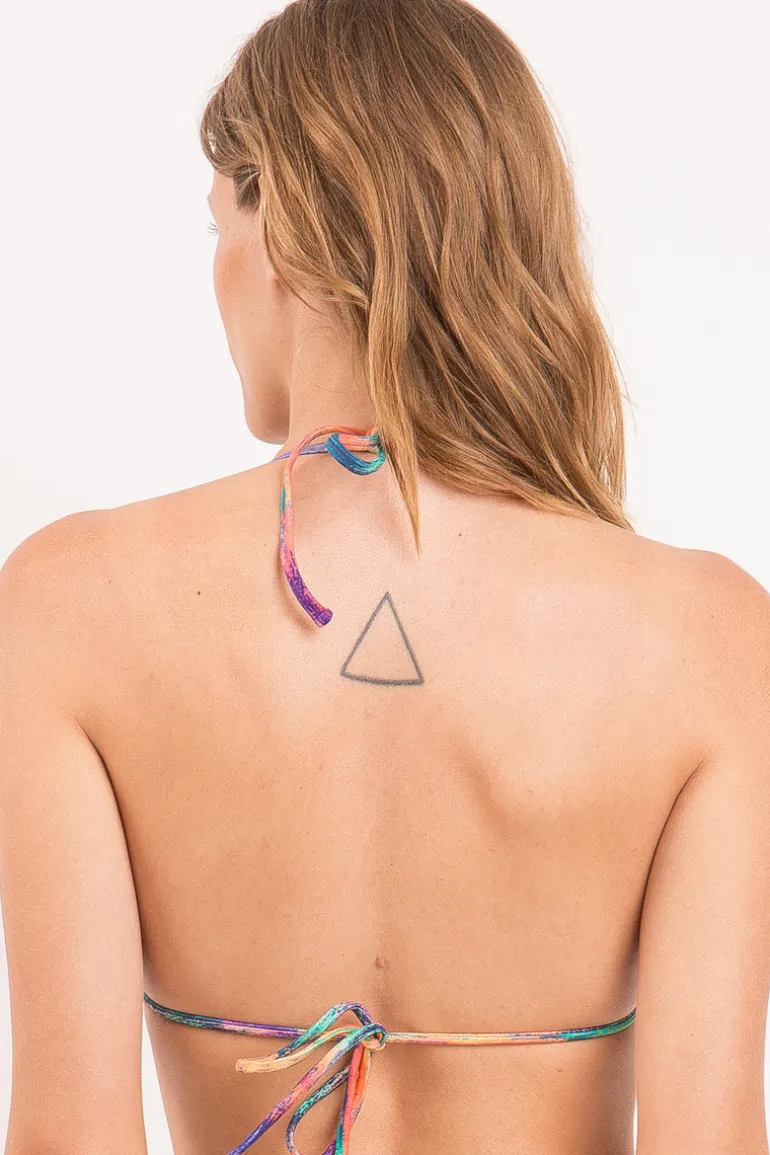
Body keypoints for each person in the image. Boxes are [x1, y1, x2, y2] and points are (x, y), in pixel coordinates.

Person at [1, 1, 769, 1153]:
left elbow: (68, 1138)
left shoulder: (70, 607)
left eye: (216, 222)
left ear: (281, 223)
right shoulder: (706, 637)